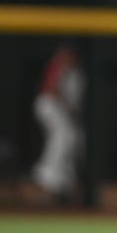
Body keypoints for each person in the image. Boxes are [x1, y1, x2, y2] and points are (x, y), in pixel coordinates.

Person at [32, 45, 85, 201]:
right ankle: (45, 176)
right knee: (63, 137)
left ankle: (63, 181)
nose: (65, 57)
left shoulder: (75, 73)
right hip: (49, 104)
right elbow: (52, 89)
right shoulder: (57, 66)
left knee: (72, 139)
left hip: (60, 108)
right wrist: (67, 106)